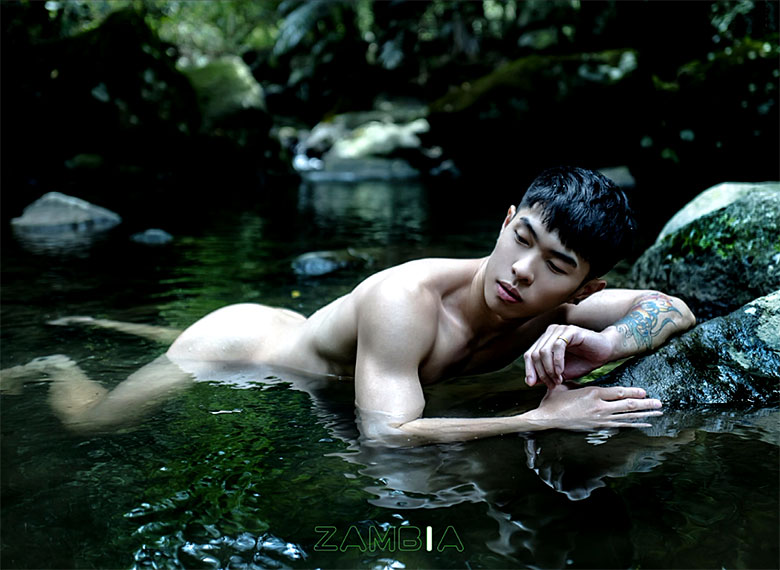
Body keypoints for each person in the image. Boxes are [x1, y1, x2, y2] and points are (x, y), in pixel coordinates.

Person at [1, 166, 695, 444]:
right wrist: (539, 418)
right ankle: (55, 361)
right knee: (92, 424)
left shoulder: (561, 309)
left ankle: (113, 324)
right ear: (507, 220)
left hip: (308, 335)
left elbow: (673, 308)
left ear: (584, 289)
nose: (521, 270)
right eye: (522, 238)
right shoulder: (406, 299)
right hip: (238, 347)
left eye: (555, 266)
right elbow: (388, 435)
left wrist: (607, 345)